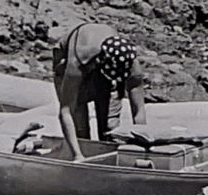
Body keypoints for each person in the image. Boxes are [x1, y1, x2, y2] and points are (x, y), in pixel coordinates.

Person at [53, 22, 147, 162]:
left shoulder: (130, 63)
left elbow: (139, 110)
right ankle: (80, 157)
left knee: (111, 129)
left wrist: (143, 147)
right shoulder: (78, 61)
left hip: (104, 62)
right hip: (69, 57)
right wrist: (77, 155)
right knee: (81, 129)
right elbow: (66, 110)